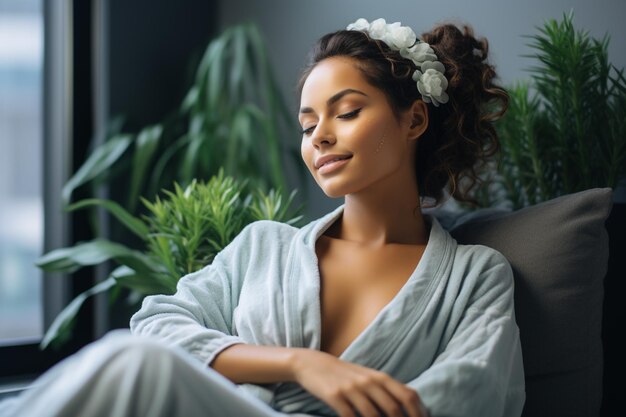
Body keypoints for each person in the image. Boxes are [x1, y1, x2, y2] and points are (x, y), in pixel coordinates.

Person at [0, 18, 525, 417]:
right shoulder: (263, 247)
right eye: (306, 123)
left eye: (346, 113)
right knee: (133, 359)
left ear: (413, 118)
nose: (319, 136)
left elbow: (477, 387)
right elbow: (156, 324)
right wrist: (300, 363)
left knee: (134, 367)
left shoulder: (474, 274)